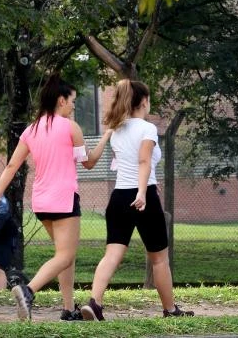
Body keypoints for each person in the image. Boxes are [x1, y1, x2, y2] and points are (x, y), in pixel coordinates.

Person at [0, 72, 111, 322]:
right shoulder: (71, 127)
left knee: (64, 254)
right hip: (64, 199)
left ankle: (69, 309)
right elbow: (89, 163)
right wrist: (106, 136)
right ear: (61, 100)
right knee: (65, 255)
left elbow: (11, 167)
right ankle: (28, 292)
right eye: (72, 100)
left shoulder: (31, 130)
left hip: (41, 202)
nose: (73, 105)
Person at [81, 79, 193, 321]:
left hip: (119, 197)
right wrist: (142, 193)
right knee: (159, 258)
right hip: (142, 196)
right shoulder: (147, 128)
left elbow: (135, 163)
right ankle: (170, 310)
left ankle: (95, 303)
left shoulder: (117, 129)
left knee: (112, 254)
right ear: (143, 101)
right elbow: (143, 160)